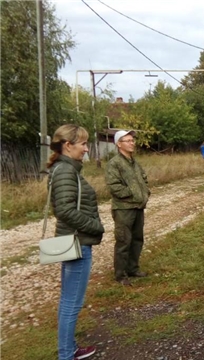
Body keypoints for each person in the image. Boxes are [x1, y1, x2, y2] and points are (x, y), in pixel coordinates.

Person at [47, 124, 104, 360]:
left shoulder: (67, 169)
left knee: (68, 300)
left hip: (74, 241)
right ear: (68, 146)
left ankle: (68, 350)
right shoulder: (65, 171)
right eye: (82, 144)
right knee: (72, 303)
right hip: (77, 244)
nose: (87, 149)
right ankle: (66, 355)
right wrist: (96, 227)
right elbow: (65, 211)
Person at [106, 130, 150, 286]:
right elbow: (114, 187)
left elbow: (143, 179)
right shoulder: (114, 163)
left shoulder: (134, 162)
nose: (132, 143)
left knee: (137, 240)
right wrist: (133, 194)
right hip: (123, 209)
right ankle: (121, 274)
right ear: (119, 144)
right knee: (124, 241)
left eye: (132, 140)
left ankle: (133, 268)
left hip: (138, 207)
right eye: (128, 140)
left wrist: (145, 192)